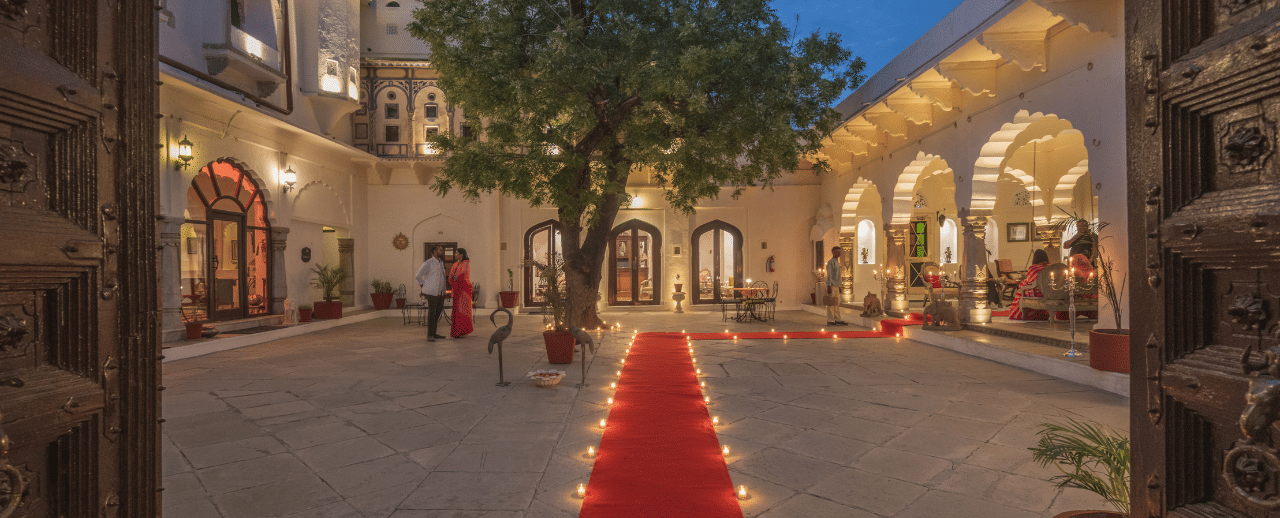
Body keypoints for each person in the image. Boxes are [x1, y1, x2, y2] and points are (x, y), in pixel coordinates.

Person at [415, 245, 447, 341]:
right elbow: (418, 276)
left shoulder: (441, 263)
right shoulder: (428, 263)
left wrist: (444, 290)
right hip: (431, 292)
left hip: (440, 292)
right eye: (440, 250)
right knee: (432, 313)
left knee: (437, 313)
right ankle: (430, 335)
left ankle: (434, 333)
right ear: (435, 251)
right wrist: (424, 286)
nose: (442, 251)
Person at [449, 248, 473, 338]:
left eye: (456, 253)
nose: (455, 255)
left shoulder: (466, 264)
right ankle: (456, 331)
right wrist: (454, 279)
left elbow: (463, 276)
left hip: (464, 290)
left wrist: (456, 278)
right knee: (456, 311)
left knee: (463, 310)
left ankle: (463, 331)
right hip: (456, 290)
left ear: (461, 255)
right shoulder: (455, 264)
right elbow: (451, 277)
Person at [825, 246, 847, 326]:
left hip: (836, 285)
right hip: (832, 285)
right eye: (837, 252)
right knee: (831, 303)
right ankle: (830, 320)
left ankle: (837, 319)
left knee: (836, 303)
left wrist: (840, 286)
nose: (839, 253)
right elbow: (829, 275)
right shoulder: (831, 262)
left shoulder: (837, 262)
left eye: (839, 252)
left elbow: (838, 275)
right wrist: (829, 286)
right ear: (833, 253)